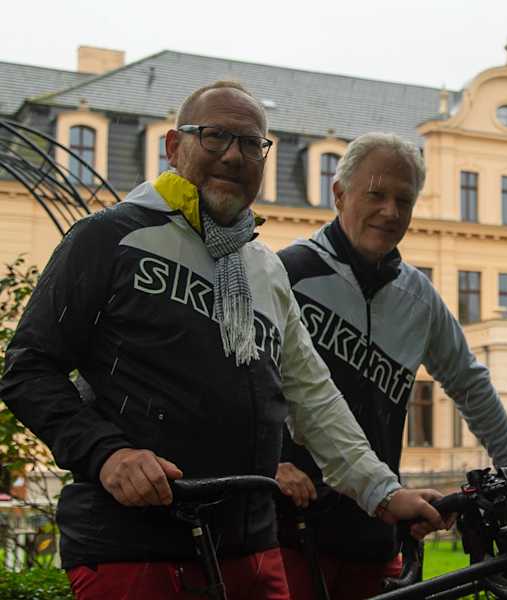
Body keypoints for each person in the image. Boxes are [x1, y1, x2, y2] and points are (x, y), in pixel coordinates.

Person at [0, 82, 446, 600]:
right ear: (173, 146)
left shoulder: (263, 269)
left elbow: (314, 399)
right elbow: (29, 367)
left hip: (250, 550)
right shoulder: (108, 236)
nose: (233, 156)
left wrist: (384, 493)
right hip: (134, 549)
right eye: (214, 137)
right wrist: (108, 455)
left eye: (251, 144)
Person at [275, 132, 507, 600]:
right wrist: (269, 460)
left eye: (404, 200)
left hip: (378, 531)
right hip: (290, 529)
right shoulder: (287, 273)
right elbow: (239, 383)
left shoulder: (419, 298)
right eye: (375, 194)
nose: (390, 211)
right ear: (339, 193)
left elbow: (470, 384)